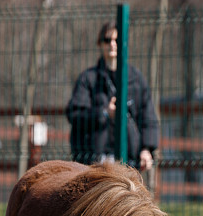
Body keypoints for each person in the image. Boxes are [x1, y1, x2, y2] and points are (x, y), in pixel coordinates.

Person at [65, 22, 158, 171]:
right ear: (100, 44)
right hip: (94, 161)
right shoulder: (88, 79)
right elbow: (75, 114)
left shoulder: (136, 79)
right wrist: (104, 113)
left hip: (129, 161)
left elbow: (148, 118)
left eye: (117, 40)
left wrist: (147, 149)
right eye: (108, 40)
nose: (112, 44)